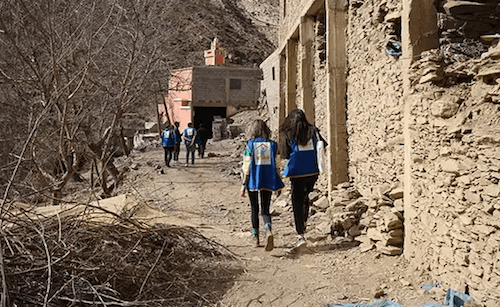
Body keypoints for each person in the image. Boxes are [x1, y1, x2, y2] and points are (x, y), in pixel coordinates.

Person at [280, 109, 327, 248]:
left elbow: (286, 154)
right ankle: (304, 222)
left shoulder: (289, 134)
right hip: (312, 171)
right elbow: (323, 146)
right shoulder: (314, 131)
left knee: (297, 201)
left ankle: (300, 234)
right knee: (306, 197)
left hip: (296, 172)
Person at [241, 119, 284, 251]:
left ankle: (255, 237)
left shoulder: (249, 145)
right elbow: (277, 165)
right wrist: (278, 181)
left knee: (254, 208)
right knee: (265, 207)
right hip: (268, 179)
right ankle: (268, 229)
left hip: (253, 180)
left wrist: (243, 184)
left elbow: (246, 165)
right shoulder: (273, 145)